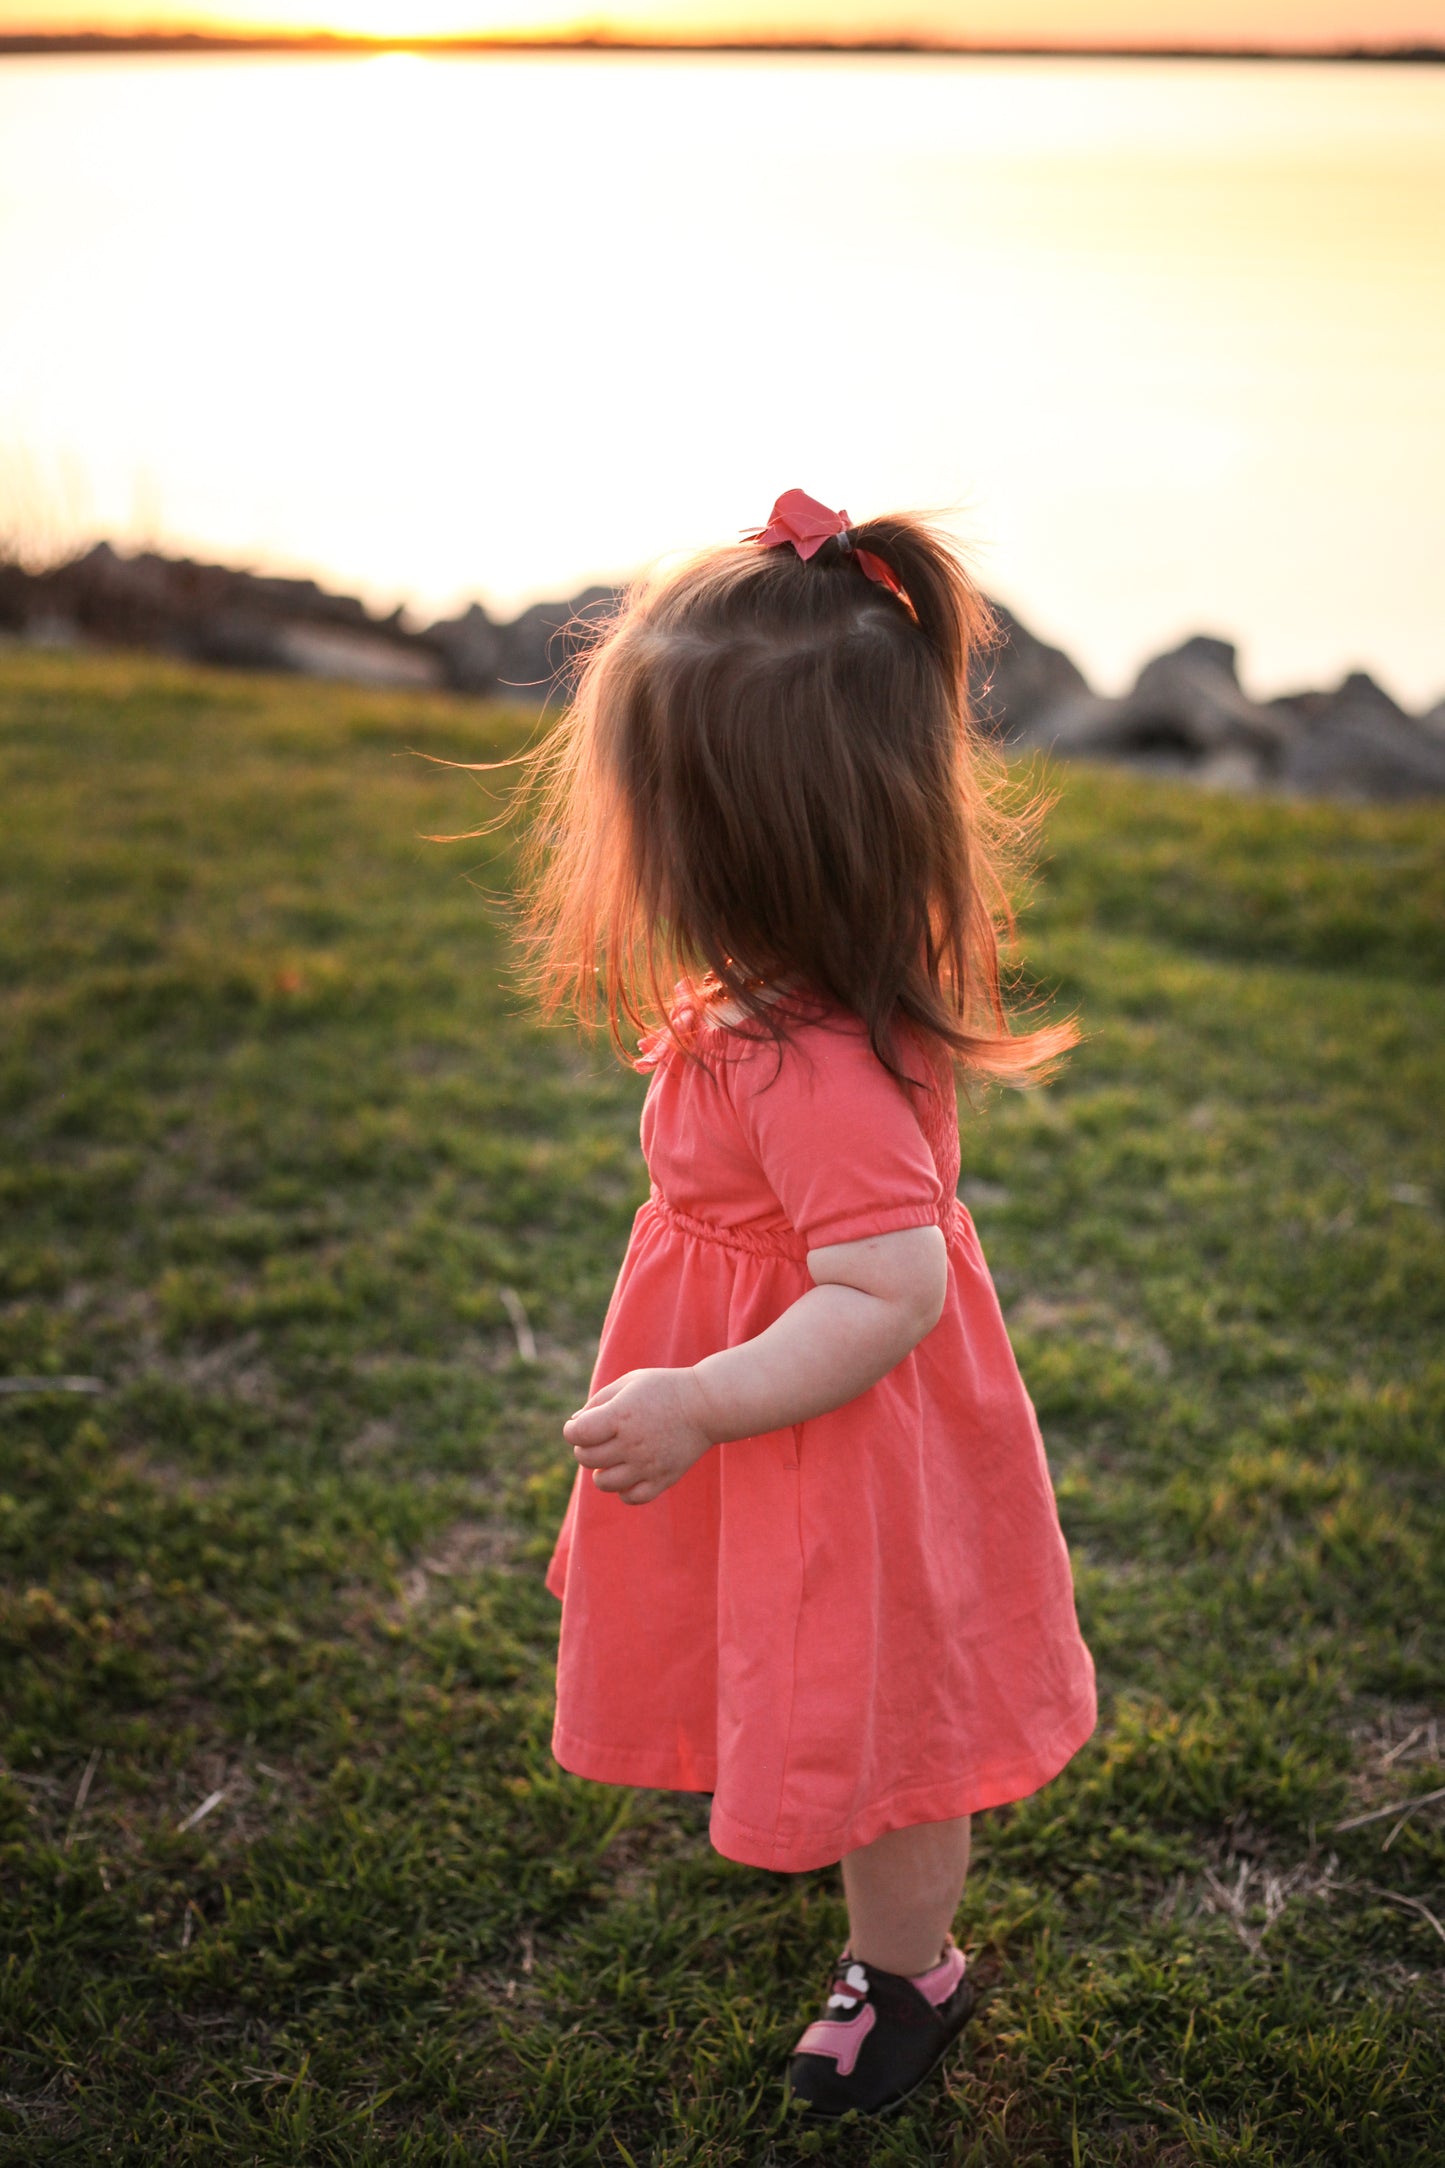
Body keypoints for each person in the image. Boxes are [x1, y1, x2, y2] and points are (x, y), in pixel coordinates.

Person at [522, 489, 1097, 2120]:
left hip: (831, 1427)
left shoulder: (814, 1058)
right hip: (772, 1407)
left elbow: (889, 1286)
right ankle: (809, 1816)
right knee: (799, 1660)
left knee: (886, 1708)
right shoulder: (764, 1008)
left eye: (640, 804)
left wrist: (702, 1396)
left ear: (736, 833)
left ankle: (907, 1967)